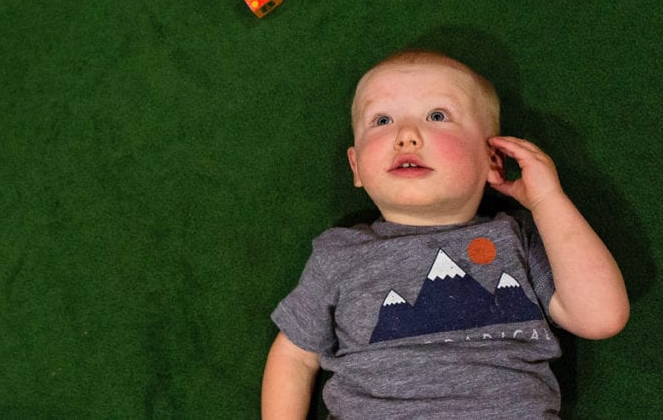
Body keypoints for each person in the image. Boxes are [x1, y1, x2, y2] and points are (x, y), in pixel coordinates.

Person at [262, 50, 628, 419]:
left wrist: (548, 201)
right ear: (356, 166)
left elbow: (600, 318)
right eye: (382, 120)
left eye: (437, 116)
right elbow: (295, 356)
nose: (406, 135)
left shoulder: (516, 236)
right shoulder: (338, 254)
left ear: (493, 159)